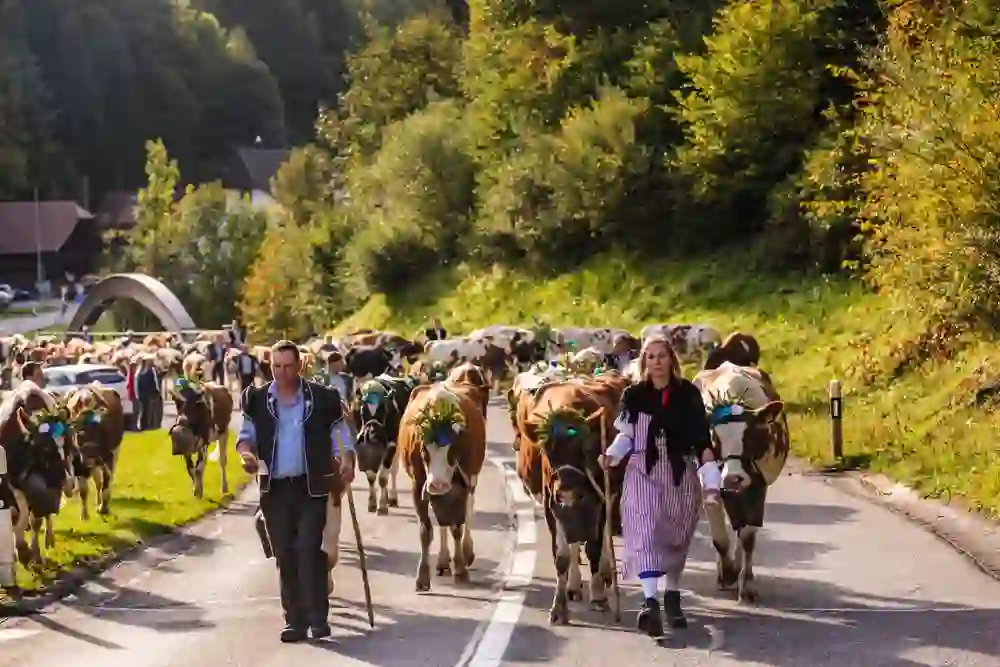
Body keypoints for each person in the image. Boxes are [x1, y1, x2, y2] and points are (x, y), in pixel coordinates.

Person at [236, 340, 357, 643]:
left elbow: (340, 434)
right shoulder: (257, 399)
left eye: (288, 366)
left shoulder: (322, 397)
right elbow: (245, 436)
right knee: (285, 554)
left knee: (308, 548)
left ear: (299, 366)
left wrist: (346, 458)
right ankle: (295, 621)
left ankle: (318, 619)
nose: (282, 372)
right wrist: (246, 455)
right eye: (276, 366)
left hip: (310, 486)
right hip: (275, 489)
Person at [600, 333, 721, 636]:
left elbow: (702, 442)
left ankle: (672, 594)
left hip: (680, 472)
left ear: (671, 360)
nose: (656, 362)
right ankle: (650, 602)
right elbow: (626, 435)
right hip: (643, 470)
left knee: (676, 537)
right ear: (644, 362)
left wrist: (711, 482)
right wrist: (612, 455)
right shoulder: (634, 395)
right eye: (650, 357)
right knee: (645, 530)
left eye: (662, 356)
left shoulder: (688, 395)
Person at [135, 356, 162, 431]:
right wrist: (156, 391)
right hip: (147, 393)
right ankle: (146, 425)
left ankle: (144, 425)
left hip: (142, 394)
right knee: (147, 410)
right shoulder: (149, 371)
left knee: (144, 410)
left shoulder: (139, 372)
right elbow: (154, 382)